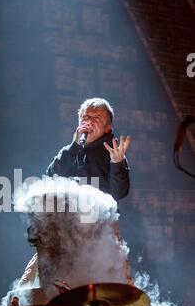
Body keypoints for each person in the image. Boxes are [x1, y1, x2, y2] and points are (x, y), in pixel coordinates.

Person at [19, 97, 131, 287]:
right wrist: (73, 147)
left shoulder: (113, 152)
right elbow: (48, 181)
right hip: (62, 233)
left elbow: (119, 192)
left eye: (97, 117)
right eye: (85, 116)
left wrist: (117, 164)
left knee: (111, 287)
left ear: (108, 128)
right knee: (31, 286)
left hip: (99, 232)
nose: (89, 120)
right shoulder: (69, 152)